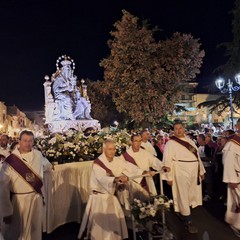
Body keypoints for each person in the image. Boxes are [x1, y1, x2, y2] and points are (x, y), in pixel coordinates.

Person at [78, 139, 150, 240]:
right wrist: (117, 179)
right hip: (99, 198)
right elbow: (102, 178)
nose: (112, 151)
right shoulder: (98, 163)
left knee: (114, 228)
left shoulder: (117, 160)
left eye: (114, 149)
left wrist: (143, 172)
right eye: (109, 149)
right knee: (101, 229)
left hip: (111, 196)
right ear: (104, 150)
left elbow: (129, 167)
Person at [0, 130, 52, 240]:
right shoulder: (10, 161)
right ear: (19, 141)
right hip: (19, 202)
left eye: (30, 141)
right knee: (19, 232)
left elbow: (47, 165)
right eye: (25, 141)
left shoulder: (37, 155)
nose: (28, 144)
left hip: (35, 198)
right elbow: (3, 188)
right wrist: (6, 211)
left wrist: (51, 167)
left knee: (35, 231)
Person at [162, 121, 205, 234]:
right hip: (180, 171)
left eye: (180, 128)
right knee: (183, 194)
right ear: (173, 130)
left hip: (193, 171)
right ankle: (188, 220)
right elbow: (167, 161)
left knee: (191, 194)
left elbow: (197, 157)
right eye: (176, 128)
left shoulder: (190, 141)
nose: (178, 130)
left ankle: (185, 213)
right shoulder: (170, 143)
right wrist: (168, 177)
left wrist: (201, 171)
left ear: (184, 129)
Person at [222, 119, 240, 237]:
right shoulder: (232, 143)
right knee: (237, 203)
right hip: (237, 178)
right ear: (238, 126)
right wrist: (232, 179)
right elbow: (227, 161)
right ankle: (236, 225)